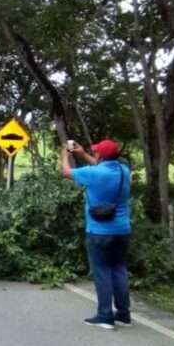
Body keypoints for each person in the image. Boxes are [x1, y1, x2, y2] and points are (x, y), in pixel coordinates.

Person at [61, 139, 131, 330]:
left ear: (101, 155)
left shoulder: (95, 174)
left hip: (99, 231)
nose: (96, 154)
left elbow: (65, 172)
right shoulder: (124, 171)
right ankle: (123, 314)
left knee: (102, 272)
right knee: (119, 270)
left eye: (96, 152)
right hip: (122, 230)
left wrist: (65, 155)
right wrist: (83, 154)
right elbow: (99, 165)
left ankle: (105, 316)